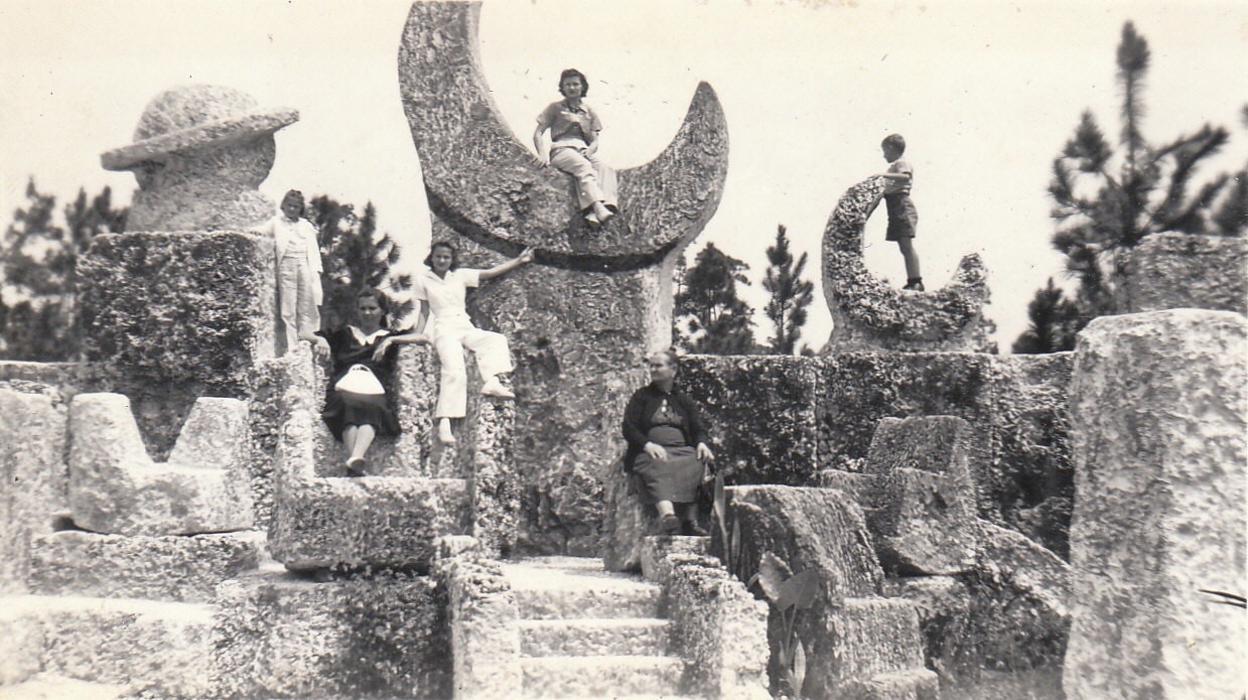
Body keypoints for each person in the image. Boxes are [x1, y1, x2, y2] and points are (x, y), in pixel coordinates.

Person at [413, 241, 534, 446]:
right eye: (438, 256)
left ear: (451, 259)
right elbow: (424, 312)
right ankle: (444, 422)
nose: (442, 260)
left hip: (464, 325)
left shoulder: (459, 275)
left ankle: (492, 382)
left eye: (446, 257)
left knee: (496, 340)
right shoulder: (423, 279)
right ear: (431, 258)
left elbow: (490, 273)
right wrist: (416, 335)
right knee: (454, 370)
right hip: (443, 328)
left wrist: (519, 261)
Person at [321, 289, 428, 476]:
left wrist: (392, 339)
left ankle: (354, 460)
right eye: (363, 308)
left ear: (382, 311)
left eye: (372, 308)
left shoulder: (388, 336)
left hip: (373, 388)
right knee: (347, 405)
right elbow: (306, 333)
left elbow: (422, 337)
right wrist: (319, 340)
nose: (367, 313)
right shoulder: (344, 334)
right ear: (357, 310)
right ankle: (356, 459)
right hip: (344, 386)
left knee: (373, 407)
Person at [622, 348, 715, 536]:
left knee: (697, 461)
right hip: (649, 450)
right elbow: (629, 427)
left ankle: (690, 520)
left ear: (673, 370)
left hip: (681, 451)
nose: (653, 369)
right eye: (652, 366)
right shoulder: (641, 397)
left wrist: (702, 443)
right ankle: (668, 516)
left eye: (658, 366)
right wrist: (647, 445)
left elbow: (698, 428)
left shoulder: (684, 400)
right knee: (658, 462)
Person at [533, 68, 619, 228]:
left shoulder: (589, 112)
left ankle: (598, 209)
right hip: (561, 149)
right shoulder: (555, 107)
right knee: (584, 167)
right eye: (568, 85)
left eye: (575, 84)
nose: (572, 88)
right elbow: (538, 133)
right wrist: (542, 155)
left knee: (605, 169)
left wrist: (590, 150)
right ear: (563, 87)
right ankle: (598, 208)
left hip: (582, 151)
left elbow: (594, 141)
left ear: (582, 87)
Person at [258, 190, 330, 356]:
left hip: (304, 264)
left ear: (300, 209)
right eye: (289, 205)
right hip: (286, 264)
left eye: (296, 207)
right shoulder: (276, 222)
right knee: (288, 306)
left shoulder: (306, 225)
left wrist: (316, 271)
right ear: (283, 206)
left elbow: (313, 250)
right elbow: (261, 231)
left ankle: (309, 340)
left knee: (307, 303)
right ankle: (292, 347)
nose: (292, 209)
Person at [877, 133, 923, 291]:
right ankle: (912, 279)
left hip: (902, 205)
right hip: (895, 206)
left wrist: (882, 176)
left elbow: (904, 177)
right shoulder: (894, 166)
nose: (884, 155)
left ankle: (916, 280)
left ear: (891, 148)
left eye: (885, 151)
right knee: (903, 246)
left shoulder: (901, 163)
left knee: (906, 245)